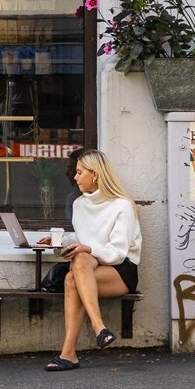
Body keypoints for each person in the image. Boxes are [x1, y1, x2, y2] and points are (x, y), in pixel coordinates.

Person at [43, 148, 142, 372]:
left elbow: (117, 252)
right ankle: (99, 331)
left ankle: (70, 353)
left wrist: (86, 248)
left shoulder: (122, 206)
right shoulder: (79, 205)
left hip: (119, 270)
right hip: (89, 266)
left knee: (72, 278)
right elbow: (83, 240)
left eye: (79, 172)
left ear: (95, 175)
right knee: (76, 268)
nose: (74, 177)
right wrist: (61, 241)